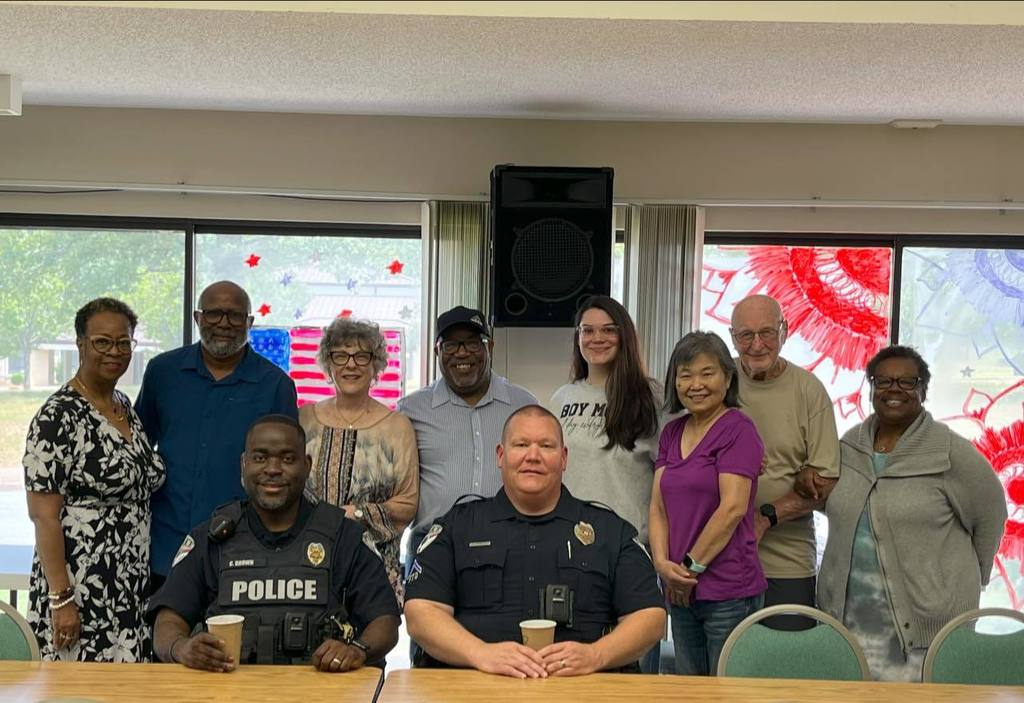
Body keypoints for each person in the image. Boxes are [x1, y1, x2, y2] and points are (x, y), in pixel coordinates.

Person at [404, 405, 665, 679]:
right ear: (501, 456)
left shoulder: (609, 531)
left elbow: (650, 617)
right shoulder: (457, 526)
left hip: (584, 692)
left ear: (563, 458)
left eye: (546, 446)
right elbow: (421, 612)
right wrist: (481, 653)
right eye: (521, 444)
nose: (533, 456)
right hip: (475, 689)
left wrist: (595, 655)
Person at [147, 414, 400, 672]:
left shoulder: (344, 536)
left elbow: (385, 622)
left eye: (288, 459)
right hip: (229, 694)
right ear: (244, 464)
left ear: (307, 465)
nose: (272, 469)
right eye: (260, 458)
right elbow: (167, 621)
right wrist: (182, 648)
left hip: (322, 694)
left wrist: (357, 649)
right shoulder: (211, 538)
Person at [818, 346, 1006, 681]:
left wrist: (958, 579)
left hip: (924, 628)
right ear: (871, 386)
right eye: (884, 381)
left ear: (923, 390)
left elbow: (991, 516)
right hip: (851, 620)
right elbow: (833, 502)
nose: (894, 389)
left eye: (907, 382)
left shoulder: (950, 452)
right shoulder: (850, 445)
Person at [24, 298, 166, 661]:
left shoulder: (123, 406)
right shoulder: (57, 417)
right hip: (81, 588)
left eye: (123, 342)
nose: (114, 352)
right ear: (81, 344)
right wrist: (61, 598)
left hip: (129, 584)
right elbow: (44, 516)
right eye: (102, 342)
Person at [135, 280, 298, 587]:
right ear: (198, 318)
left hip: (241, 548)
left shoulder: (275, 385)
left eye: (235, 316)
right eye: (214, 314)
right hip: (164, 544)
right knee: (163, 634)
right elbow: (137, 449)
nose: (224, 323)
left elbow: (287, 472)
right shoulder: (163, 373)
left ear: (249, 322)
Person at [549, 295, 662, 672]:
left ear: (624, 336)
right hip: (567, 548)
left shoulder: (652, 396)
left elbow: (672, 479)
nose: (597, 338)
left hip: (630, 548)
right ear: (577, 338)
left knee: (634, 666)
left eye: (608, 330)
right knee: (574, 662)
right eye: (588, 330)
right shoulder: (562, 398)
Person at [649, 331, 767, 676]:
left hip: (728, 589)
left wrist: (688, 569)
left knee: (727, 691)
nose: (695, 384)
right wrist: (662, 566)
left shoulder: (738, 430)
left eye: (706, 373)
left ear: (727, 378)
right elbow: (658, 506)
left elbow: (732, 509)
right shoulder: (672, 432)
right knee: (689, 689)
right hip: (678, 588)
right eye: (685, 375)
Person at [729, 294, 839, 630]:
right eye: (746, 335)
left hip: (788, 563)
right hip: (721, 561)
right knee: (721, 674)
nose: (757, 344)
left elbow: (825, 482)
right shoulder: (718, 382)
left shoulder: (808, 390)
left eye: (767, 332)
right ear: (732, 338)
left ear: (785, 330)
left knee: (784, 672)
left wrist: (766, 517)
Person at [398, 305, 536, 563]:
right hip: (432, 547)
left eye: (473, 344)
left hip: (512, 544)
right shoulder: (411, 411)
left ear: (489, 347)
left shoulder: (524, 405)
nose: (462, 353)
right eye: (451, 345)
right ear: (438, 351)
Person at [300, 317, 418, 605]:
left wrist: (354, 514)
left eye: (361, 355)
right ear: (328, 364)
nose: (350, 364)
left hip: (373, 568)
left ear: (375, 363)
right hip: (306, 563)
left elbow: (408, 503)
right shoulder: (303, 419)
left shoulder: (397, 426)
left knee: (369, 647)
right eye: (340, 355)